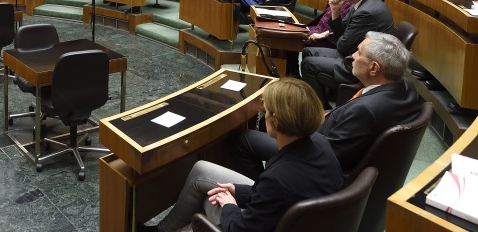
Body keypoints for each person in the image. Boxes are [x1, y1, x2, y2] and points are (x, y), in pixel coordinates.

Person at [139, 78, 342, 232]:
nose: (264, 113)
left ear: (276, 122)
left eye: (267, 110)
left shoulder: (277, 179)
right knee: (201, 169)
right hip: (287, 216)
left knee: (210, 200)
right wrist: (238, 191)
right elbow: (274, 195)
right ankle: (162, 229)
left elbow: (240, 228)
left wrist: (230, 205)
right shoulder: (320, 143)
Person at [232, 33, 420, 180]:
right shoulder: (406, 87)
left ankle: (261, 195)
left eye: (359, 53)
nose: (352, 56)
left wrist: (292, 122)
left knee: (244, 139)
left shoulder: (366, 111)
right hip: (329, 132)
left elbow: (331, 155)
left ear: (373, 68)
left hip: (311, 151)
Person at [301, 0, 394, 109]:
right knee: (308, 51)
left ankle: (321, 108)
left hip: (364, 64)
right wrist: (335, 10)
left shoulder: (366, 12)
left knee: (308, 63)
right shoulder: (362, 1)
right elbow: (342, 30)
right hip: (356, 52)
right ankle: (320, 94)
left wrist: (336, 37)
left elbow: (342, 46)